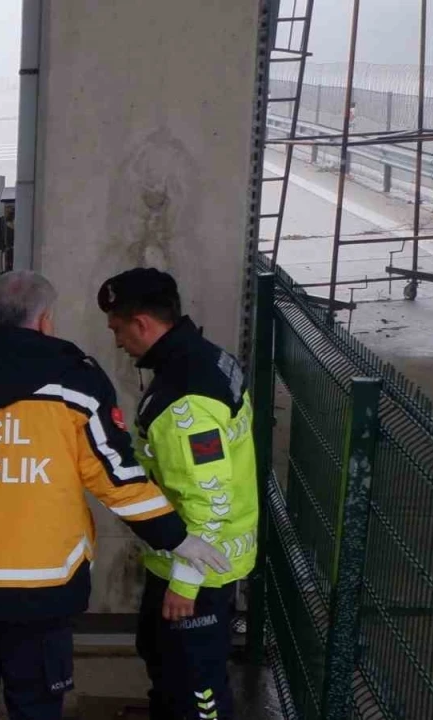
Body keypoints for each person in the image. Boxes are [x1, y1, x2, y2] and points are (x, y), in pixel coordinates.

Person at [0, 270, 231, 720]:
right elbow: (116, 478)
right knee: (37, 706)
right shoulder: (76, 383)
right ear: (45, 319)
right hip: (42, 587)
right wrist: (176, 538)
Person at [97, 268, 258, 720]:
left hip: (200, 568)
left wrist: (186, 584)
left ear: (142, 323)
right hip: (181, 555)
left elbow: (210, 498)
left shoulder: (186, 399)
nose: (117, 342)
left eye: (118, 329)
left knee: (197, 687)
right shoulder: (204, 358)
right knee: (162, 657)